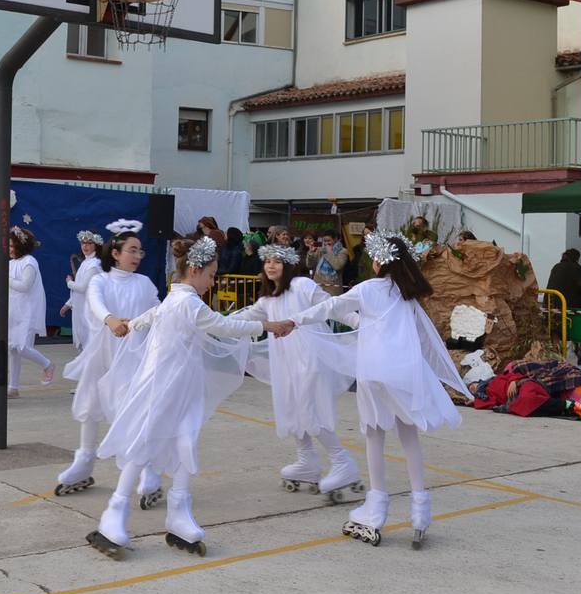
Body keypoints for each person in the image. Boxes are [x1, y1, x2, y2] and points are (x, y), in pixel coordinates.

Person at [87, 236, 295, 558]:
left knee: (185, 442)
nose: (213, 282)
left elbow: (152, 316)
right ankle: (114, 514)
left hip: (182, 387)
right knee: (145, 443)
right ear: (195, 270)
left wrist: (131, 324)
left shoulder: (175, 299)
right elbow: (223, 326)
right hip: (164, 387)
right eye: (211, 275)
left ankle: (179, 511)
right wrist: (269, 325)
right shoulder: (187, 303)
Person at [289, 231, 472, 549]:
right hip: (403, 371)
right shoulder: (406, 293)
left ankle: (376, 507)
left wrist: (293, 321)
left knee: (374, 435)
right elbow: (424, 338)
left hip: (374, 372)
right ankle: (419, 510)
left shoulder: (370, 289)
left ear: (380, 260)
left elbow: (330, 307)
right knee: (408, 436)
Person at [227, 243, 360, 499]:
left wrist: (359, 323)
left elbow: (330, 306)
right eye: (267, 262)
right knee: (293, 409)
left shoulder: (302, 286)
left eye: (277, 261)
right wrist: (212, 322)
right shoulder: (268, 299)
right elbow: (245, 317)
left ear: (287, 265)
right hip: (286, 363)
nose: (271, 266)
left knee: (310, 410)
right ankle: (307, 460)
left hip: (309, 360)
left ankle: (342, 461)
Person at [56, 220, 161, 501]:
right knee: (90, 404)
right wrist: (110, 319)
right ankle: (85, 460)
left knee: (132, 410)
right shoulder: (100, 280)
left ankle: (146, 468)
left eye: (140, 251)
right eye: (132, 250)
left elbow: (158, 312)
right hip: (101, 353)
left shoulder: (145, 283)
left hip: (134, 356)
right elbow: (95, 302)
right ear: (115, 252)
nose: (138, 256)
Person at [7, 226, 55, 395]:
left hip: (27, 310)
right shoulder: (11, 263)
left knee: (21, 347)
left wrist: (6, 278)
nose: (10, 249)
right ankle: (13, 388)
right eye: (10, 246)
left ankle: (47, 364)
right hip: (13, 310)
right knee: (13, 348)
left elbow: (25, 286)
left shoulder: (29, 262)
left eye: (13, 246)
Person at [60, 230, 104, 354]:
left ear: (96, 245)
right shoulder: (86, 262)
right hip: (80, 308)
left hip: (89, 310)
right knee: (83, 344)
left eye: (89, 243)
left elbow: (83, 287)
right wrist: (68, 304)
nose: (85, 246)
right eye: (83, 243)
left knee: (90, 344)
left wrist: (69, 283)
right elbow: (79, 289)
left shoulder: (95, 264)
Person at [313, 230, 349, 296]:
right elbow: (309, 264)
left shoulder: (343, 251)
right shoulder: (321, 250)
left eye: (329, 241)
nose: (326, 243)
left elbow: (337, 266)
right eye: (325, 241)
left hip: (333, 287)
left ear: (336, 239)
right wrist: (310, 253)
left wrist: (329, 252)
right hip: (318, 284)